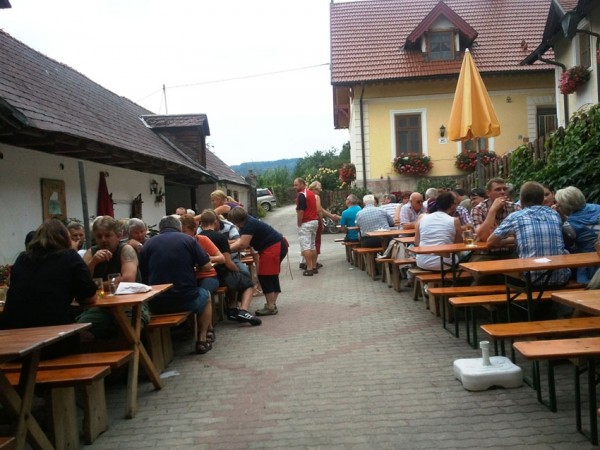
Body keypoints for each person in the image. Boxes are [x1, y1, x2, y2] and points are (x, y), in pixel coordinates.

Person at [0, 220, 97, 355]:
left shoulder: (22, 258)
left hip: (11, 343)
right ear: (66, 238)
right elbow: (89, 297)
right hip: (52, 341)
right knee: (90, 337)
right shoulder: (69, 257)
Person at [489, 182, 571, 317]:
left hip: (532, 281)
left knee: (504, 275)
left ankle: (515, 315)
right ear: (542, 199)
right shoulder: (554, 214)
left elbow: (491, 242)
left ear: (521, 200)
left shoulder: (517, 216)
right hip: (560, 277)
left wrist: (513, 240)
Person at [139, 215, 215, 354]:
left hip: (156, 303)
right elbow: (207, 266)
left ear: (160, 229)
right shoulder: (188, 240)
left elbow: (142, 273)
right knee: (206, 295)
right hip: (185, 299)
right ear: (179, 228)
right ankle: (202, 339)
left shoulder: (148, 244)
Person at [76, 216, 140, 340]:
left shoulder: (126, 250)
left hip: (130, 304)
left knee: (126, 329)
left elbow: (127, 280)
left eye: (108, 235)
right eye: (99, 236)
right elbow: (81, 282)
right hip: (101, 307)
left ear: (119, 236)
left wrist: (97, 284)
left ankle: (132, 357)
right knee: (81, 331)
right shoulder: (92, 252)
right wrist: (93, 263)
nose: (103, 240)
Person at [198, 210, 261, 326]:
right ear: (215, 221)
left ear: (201, 223)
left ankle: (232, 309)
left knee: (234, 280)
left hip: (205, 275)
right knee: (248, 283)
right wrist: (236, 270)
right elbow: (228, 262)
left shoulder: (197, 238)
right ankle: (243, 310)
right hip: (220, 273)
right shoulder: (220, 237)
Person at [228, 206, 288, 316]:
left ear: (237, 220)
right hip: (276, 245)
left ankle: (270, 307)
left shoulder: (248, 225)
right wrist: (229, 244)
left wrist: (226, 249)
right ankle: (271, 304)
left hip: (273, 247)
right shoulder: (249, 221)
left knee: (265, 276)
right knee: (271, 275)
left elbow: (243, 244)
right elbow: (241, 241)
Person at [554, 186, 600, 283]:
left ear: (566, 207)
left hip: (590, 266)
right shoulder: (597, 207)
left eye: (559, 205)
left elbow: (566, 245)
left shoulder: (569, 226)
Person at [414, 192, 463, 271]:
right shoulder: (454, 220)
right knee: (465, 257)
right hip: (446, 264)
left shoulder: (422, 218)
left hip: (422, 262)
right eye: (455, 204)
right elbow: (459, 246)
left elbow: (416, 242)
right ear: (451, 205)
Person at [180, 214, 222, 298]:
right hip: (187, 278)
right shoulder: (177, 243)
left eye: (184, 231)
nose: (181, 234)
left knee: (202, 295)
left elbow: (221, 258)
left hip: (207, 276)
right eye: (179, 231)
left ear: (193, 230)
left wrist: (206, 258)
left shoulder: (202, 239)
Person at [294, 178, 319, 276]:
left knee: (306, 246)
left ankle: (309, 269)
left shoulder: (301, 195)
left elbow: (300, 211)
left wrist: (299, 223)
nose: (294, 187)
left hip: (306, 222)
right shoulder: (311, 193)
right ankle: (314, 266)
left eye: (296, 185)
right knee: (312, 244)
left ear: (303, 184)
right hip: (314, 221)